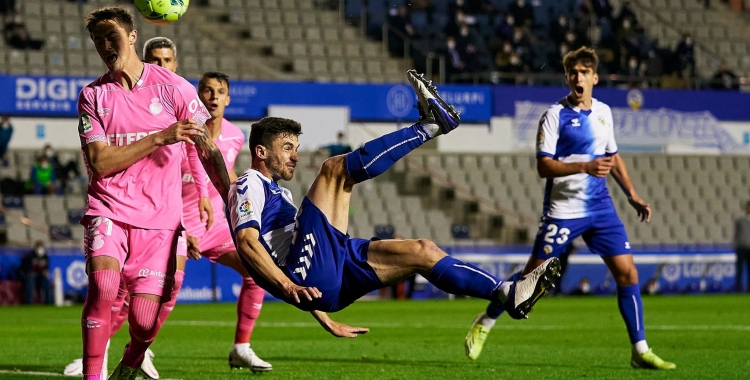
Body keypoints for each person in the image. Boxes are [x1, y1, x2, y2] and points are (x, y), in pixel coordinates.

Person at [203, 70, 561, 343]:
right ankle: (430, 126)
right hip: (307, 277)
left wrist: (322, 313)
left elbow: (298, 257)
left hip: (328, 278)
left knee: (422, 250)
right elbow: (248, 243)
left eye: (296, 147)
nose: (295, 156)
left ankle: (507, 294)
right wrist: (290, 288)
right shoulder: (250, 183)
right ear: (261, 152)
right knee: (333, 170)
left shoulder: (275, 194)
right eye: (286, 147)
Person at [463, 47, 676, 370]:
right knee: (530, 281)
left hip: (601, 208)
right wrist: (585, 167)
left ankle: (640, 350)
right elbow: (544, 167)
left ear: (595, 78)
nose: (578, 77)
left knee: (627, 273)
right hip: (563, 210)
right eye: (573, 72)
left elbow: (613, 157)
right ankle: (486, 321)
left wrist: (632, 194)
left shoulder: (605, 112)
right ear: (567, 77)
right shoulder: (554, 116)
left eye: (584, 72)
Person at [75, 7, 216, 380]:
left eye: (112, 37)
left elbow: (206, 147)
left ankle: (134, 357)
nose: (105, 45)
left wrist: (228, 194)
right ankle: (93, 375)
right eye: (97, 40)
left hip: (160, 222)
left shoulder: (176, 88)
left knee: (143, 320)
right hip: (108, 208)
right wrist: (159, 136)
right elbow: (101, 163)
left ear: (133, 36)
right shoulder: (92, 96)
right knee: (104, 285)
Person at [179, 71, 272, 372]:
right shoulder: (182, 132)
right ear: (198, 96)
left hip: (215, 225)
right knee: (154, 290)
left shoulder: (235, 135)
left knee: (257, 271)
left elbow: (226, 174)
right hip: (177, 224)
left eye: (220, 91)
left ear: (228, 99)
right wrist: (180, 226)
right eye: (207, 90)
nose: (214, 96)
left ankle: (241, 347)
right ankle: (121, 351)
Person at [733, 201, 750, 293]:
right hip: (742, 248)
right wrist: (735, 245)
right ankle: (738, 290)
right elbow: (736, 234)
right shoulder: (740, 220)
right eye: (747, 207)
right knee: (740, 270)